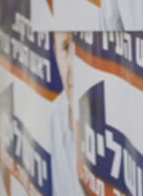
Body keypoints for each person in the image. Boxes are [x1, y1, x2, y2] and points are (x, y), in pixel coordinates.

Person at [48, 31, 84, 196]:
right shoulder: (57, 115)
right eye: (65, 47)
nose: (72, 60)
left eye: (81, 44)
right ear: (55, 52)